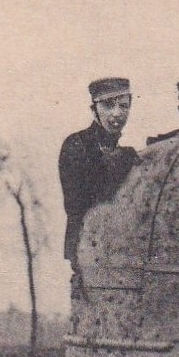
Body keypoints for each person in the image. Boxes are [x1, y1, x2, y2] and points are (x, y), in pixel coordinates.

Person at [58, 76, 139, 266]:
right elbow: (76, 205)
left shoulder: (126, 154)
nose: (117, 113)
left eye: (123, 106)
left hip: (120, 250)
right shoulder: (76, 145)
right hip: (87, 247)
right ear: (94, 110)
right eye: (108, 105)